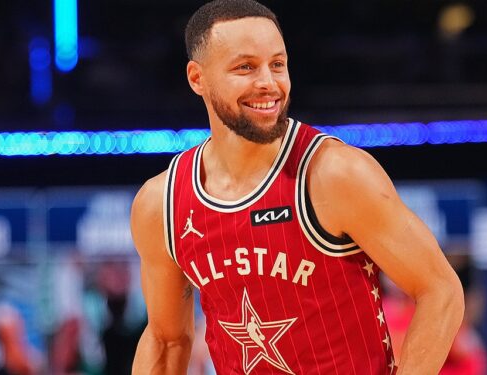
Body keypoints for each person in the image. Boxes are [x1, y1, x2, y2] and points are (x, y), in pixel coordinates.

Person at [129, 1, 464, 373]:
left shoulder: (335, 174)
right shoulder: (162, 203)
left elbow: (441, 291)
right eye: (245, 67)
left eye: (277, 64)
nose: (268, 83)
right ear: (197, 78)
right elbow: (166, 339)